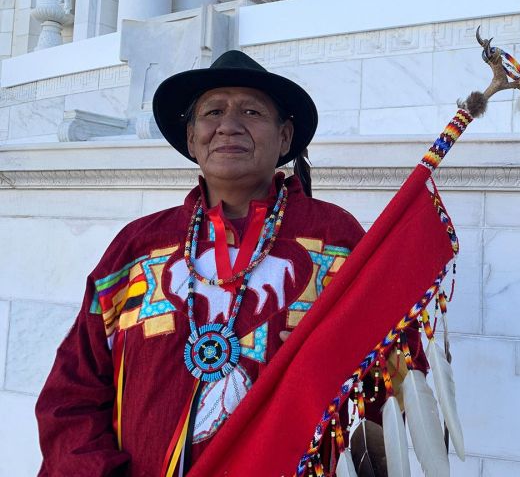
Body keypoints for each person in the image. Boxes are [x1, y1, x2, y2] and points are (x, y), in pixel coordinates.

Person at [35, 50, 422, 476]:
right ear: (190, 138)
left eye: (252, 111)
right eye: (212, 111)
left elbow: (393, 373)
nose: (228, 125)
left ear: (286, 137)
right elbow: (72, 392)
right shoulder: (138, 247)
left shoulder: (334, 239)